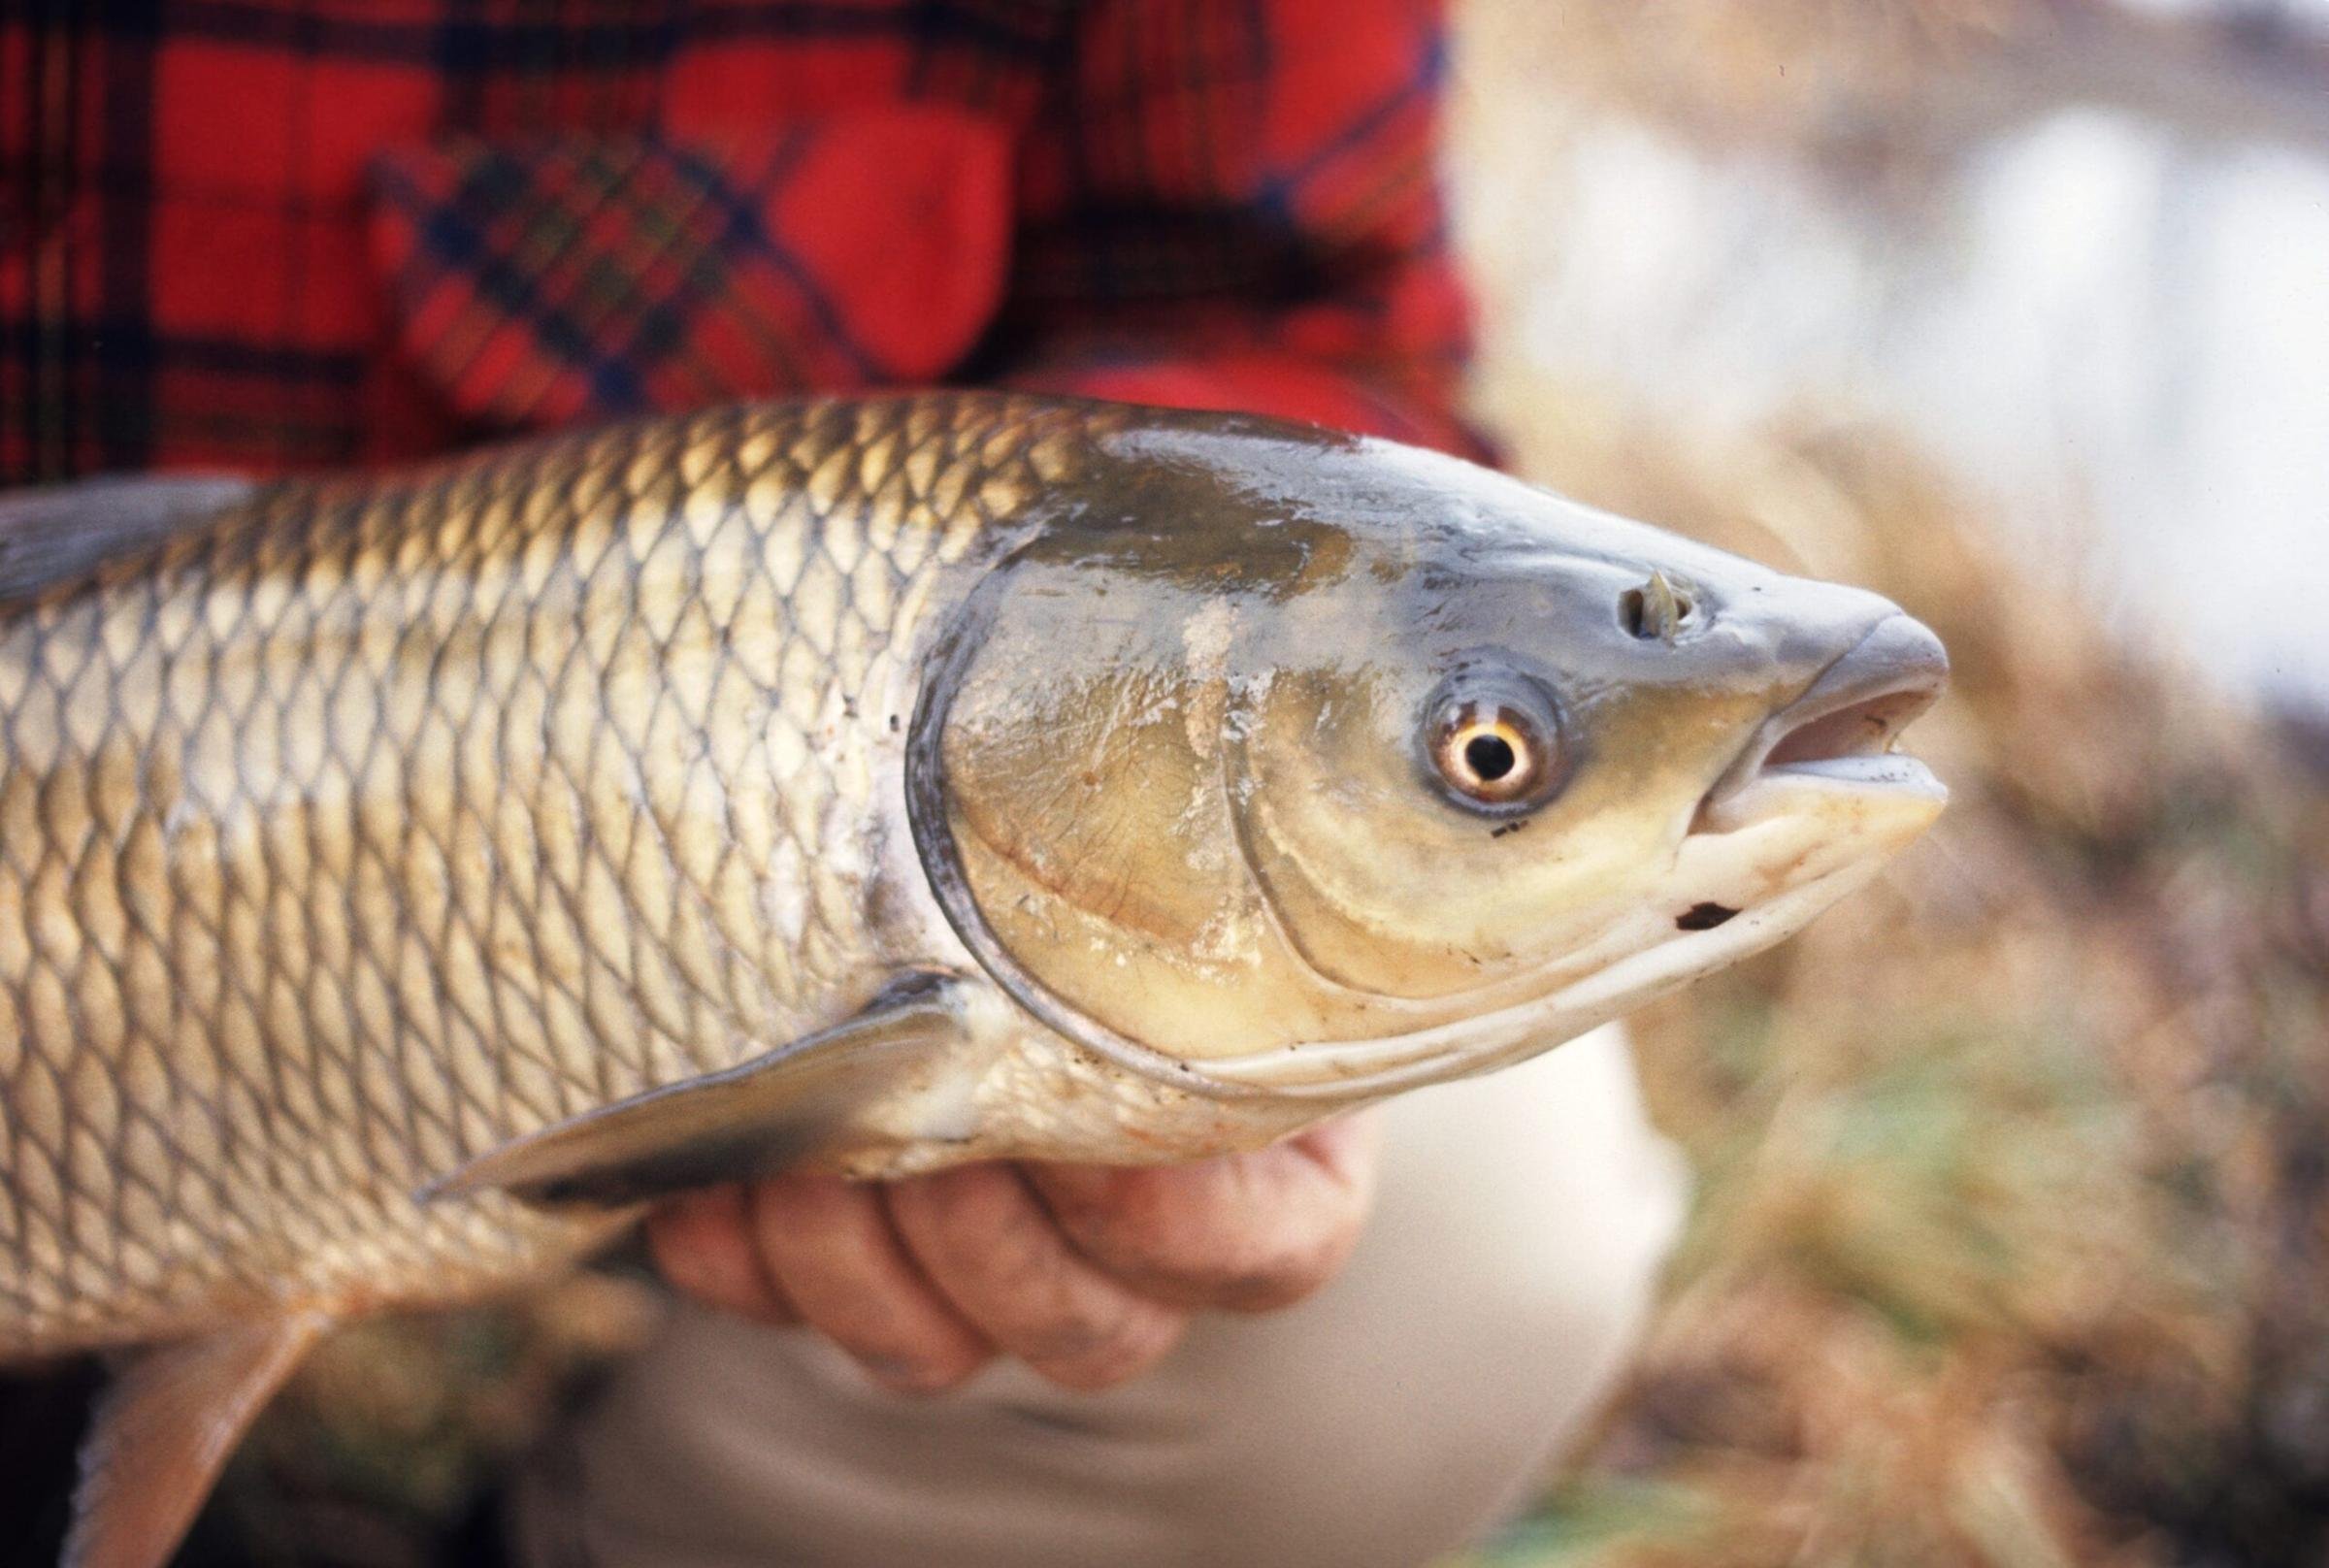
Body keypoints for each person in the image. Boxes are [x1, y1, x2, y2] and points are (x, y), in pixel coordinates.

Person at [0, 3, 1687, 1563]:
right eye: (1491, 755)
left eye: (1489, 757)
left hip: (752, 848)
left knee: (1468, 1247)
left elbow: (1290, 326)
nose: (1492, 764)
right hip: (117, 814)